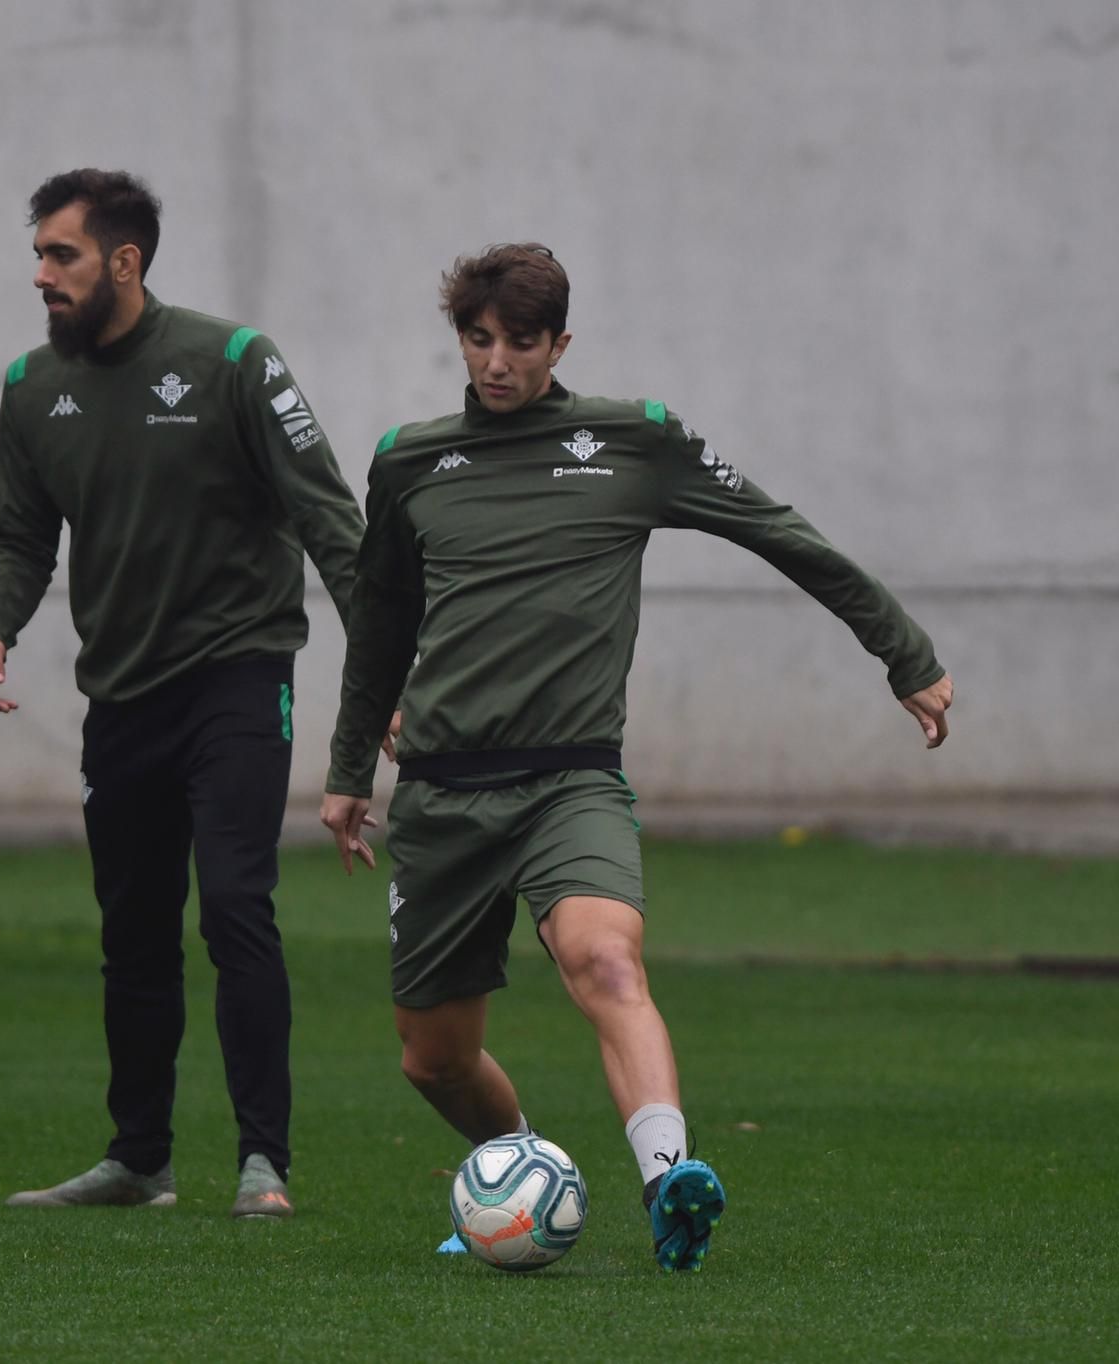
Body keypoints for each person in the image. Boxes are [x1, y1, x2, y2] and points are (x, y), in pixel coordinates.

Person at [320, 243, 953, 1271]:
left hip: (571, 779)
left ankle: (669, 1180)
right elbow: (381, 625)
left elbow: (780, 533)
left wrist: (901, 652)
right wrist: (350, 771)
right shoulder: (406, 460)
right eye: (477, 340)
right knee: (432, 1059)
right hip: (441, 791)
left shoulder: (632, 440)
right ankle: (511, 1168)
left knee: (605, 960)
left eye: (520, 342)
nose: (496, 362)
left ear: (559, 342)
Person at [0, 169, 364, 1220]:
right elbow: (21, 534)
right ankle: (139, 1158)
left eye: (62, 255)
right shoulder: (26, 387)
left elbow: (331, 521)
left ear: (125, 262)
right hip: (121, 693)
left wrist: (388, 672)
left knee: (235, 906)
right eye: (39, 254)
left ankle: (262, 1161)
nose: (41, 274)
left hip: (237, 672)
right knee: (132, 929)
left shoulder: (232, 361)